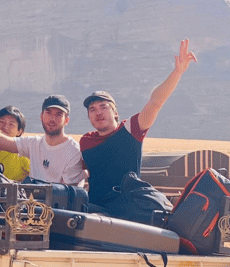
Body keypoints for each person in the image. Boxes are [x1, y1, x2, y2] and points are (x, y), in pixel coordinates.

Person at [80, 39, 197, 209]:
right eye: (92, 109)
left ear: (115, 112)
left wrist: (177, 72)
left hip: (128, 211)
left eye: (103, 107)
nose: (98, 112)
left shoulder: (130, 130)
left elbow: (155, 102)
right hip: (95, 211)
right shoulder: (85, 141)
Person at [0, 95, 85, 186]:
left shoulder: (73, 151)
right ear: (41, 116)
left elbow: (68, 193)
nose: (52, 118)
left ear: (66, 120)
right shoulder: (33, 143)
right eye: (48, 113)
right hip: (31, 210)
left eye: (59, 114)